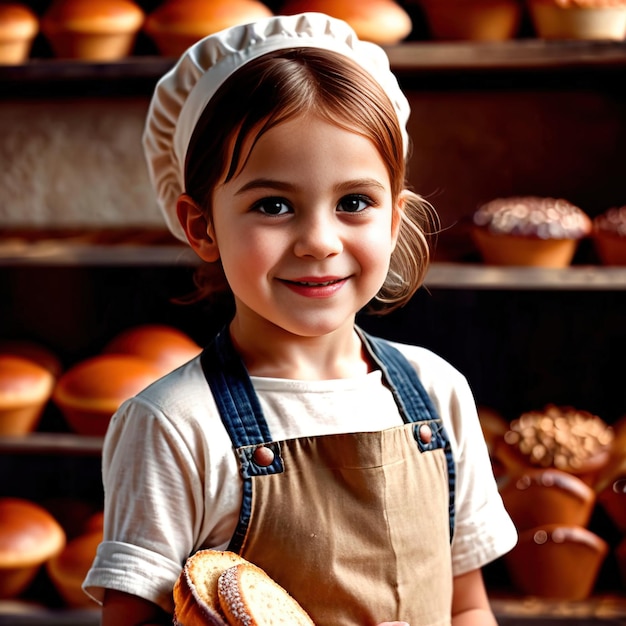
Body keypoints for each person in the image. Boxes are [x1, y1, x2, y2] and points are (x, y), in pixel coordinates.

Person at [83, 12, 517, 626]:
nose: (319, 241)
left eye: (354, 203)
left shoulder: (438, 393)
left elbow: (468, 606)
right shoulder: (172, 425)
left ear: (394, 219)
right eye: (274, 204)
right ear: (201, 226)